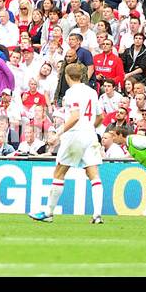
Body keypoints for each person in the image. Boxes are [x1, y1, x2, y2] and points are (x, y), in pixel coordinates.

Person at [31, 64, 104, 224]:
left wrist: (58, 133)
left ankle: (49, 213)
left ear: (66, 76)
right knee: (94, 176)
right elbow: (100, 117)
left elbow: (75, 116)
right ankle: (97, 215)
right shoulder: (92, 92)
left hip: (75, 136)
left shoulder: (71, 93)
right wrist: (89, 127)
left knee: (59, 173)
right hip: (90, 135)